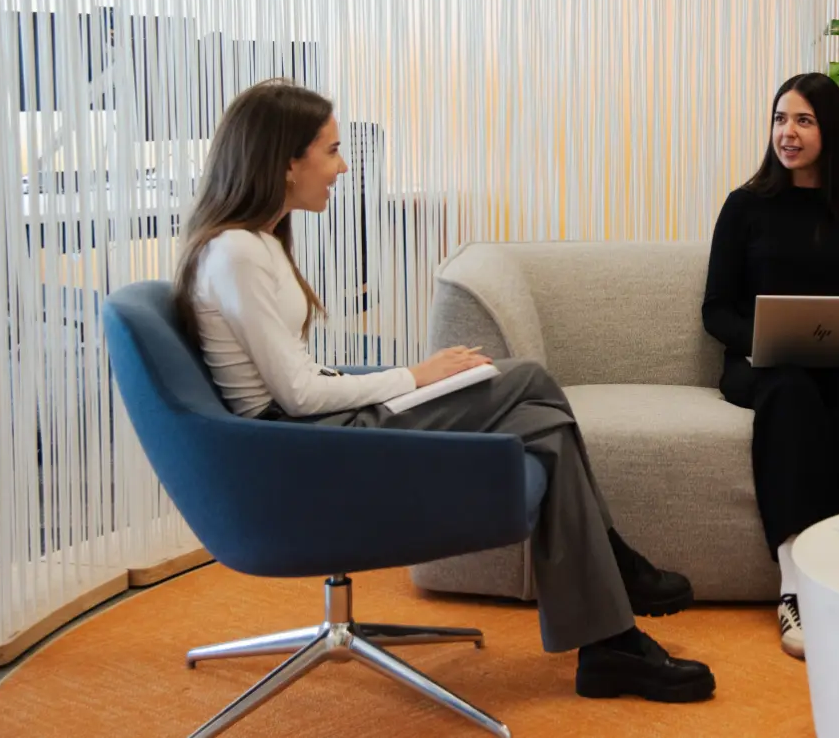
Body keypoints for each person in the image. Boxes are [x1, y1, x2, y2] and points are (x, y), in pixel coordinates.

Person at [172, 79, 714, 704]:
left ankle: (612, 639)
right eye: (331, 150)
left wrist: (406, 378)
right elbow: (295, 395)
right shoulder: (237, 252)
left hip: (313, 435)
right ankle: (615, 593)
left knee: (541, 425)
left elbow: (301, 378)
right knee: (529, 382)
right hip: (305, 449)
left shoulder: (254, 243)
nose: (343, 166)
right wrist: (416, 376)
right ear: (287, 161)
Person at [701, 72, 839, 660]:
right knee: (791, 392)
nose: (786, 133)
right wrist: (762, 338)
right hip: (764, 368)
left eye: (803, 121)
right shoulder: (745, 207)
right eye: (779, 120)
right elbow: (716, 310)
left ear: (831, 131)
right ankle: (793, 581)